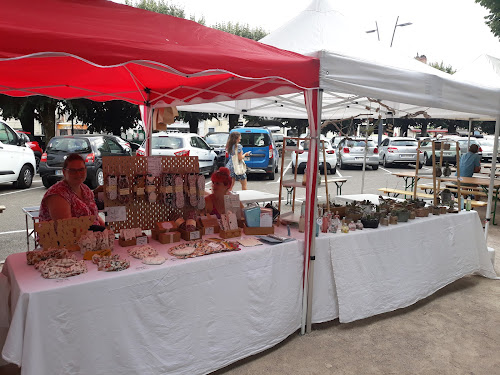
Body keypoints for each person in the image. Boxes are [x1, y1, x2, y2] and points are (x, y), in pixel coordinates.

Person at [39, 153, 104, 225]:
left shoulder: (85, 189)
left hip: (93, 234)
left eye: (81, 170)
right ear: (64, 172)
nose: (78, 174)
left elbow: (95, 217)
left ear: (85, 170)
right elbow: (66, 228)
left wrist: (107, 230)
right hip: (70, 235)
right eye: (72, 171)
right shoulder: (57, 194)